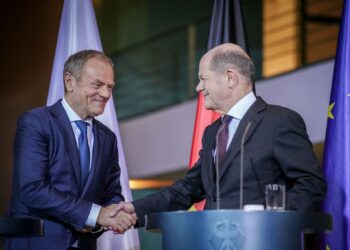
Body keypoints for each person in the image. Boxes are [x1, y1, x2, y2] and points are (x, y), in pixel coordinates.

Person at [114, 43, 327, 228]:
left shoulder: (279, 121)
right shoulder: (213, 132)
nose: (199, 87)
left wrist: (273, 220)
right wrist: (134, 209)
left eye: (203, 78)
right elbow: (189, 188)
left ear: (230, 77)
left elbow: (310, 183)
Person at [4, 50, 136, 250]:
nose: (106, 94)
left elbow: (111, 193)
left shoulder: (107, 138)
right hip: (37, 243)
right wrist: (94, 214)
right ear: (69, 81)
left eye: (110, 87)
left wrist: (117, 213)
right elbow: (32, 189)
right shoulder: (36, 123)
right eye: (97, 85)